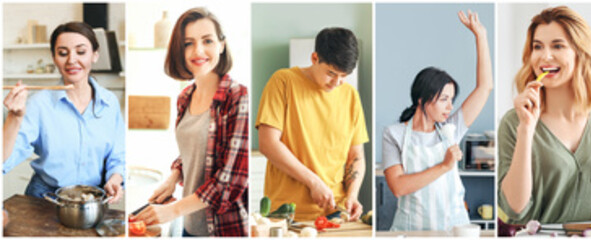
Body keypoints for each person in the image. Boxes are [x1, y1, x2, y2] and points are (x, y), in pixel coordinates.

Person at [499, 6, 591, 228]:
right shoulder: (514, 123)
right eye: (537, 47)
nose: (545, 56)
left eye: (558, 45)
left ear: (581, 52)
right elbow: (515, 209)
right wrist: (526, 130)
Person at [129, 8, 250, 236]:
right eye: (188, 43)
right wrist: (173, 178)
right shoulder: (184, 97)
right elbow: (196, 152)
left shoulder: (238, 97)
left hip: (224, 230)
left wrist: (173, 210)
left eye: (207, 41)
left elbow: (230, 181)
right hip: (189, 227)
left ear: (222, 45)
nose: (198, 51)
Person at [381, 11, 492, 231]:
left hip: (456, 229)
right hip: (411, 230)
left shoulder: (451, 129)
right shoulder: (393, 134)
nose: (450, 107)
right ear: (422, 99)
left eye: (452, 99)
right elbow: (399, 187)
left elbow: (485, 87)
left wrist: (481, 36)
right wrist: (444, 166)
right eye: (443, 99)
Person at [2, 21, 126, 204]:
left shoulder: (110, 103)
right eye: (62, 53)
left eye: (81, 52)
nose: (71, 60)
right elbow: (4, 160)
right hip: (45, 199)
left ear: (95, 55)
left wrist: (115, 178)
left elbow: (118, 155)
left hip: (92, 200)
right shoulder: (38, 104)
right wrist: (14, 117)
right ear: (53, 57)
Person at [256, 27, 368, 222]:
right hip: (287, 213)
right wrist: (313, 182)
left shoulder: (350, 95)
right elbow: (268, 144)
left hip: (336, 213)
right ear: (314, 58)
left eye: (344, 76)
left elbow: (356, 154)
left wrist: (352, 195)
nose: (337, 82)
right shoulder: (283, 82)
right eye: (331, 73)